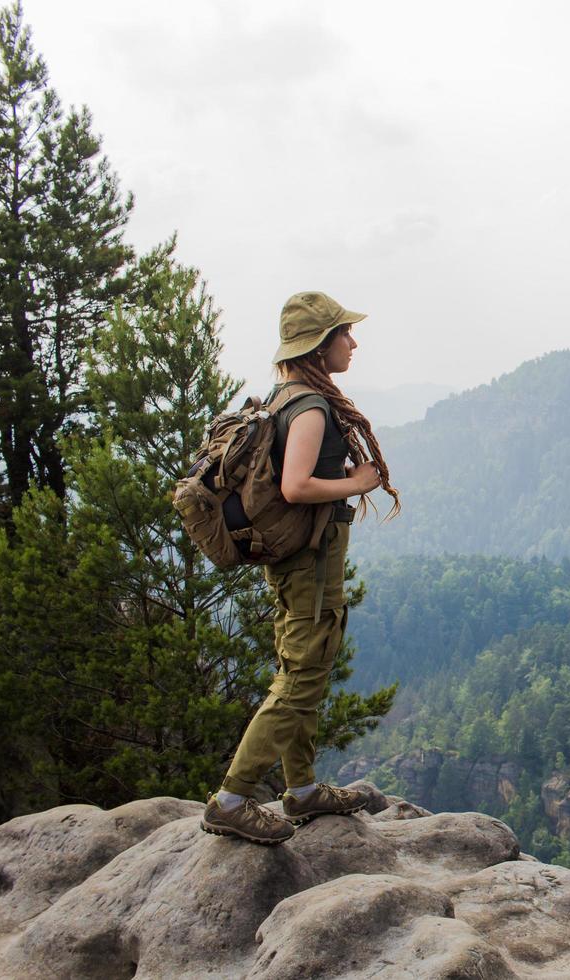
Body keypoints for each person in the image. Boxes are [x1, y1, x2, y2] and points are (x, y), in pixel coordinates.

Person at [201, 291, 401, 844]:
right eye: (344, 333)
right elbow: (296, 486)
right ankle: (232, 798)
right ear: (319, 343)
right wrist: (359, 483)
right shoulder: (310, 406)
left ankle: (303, 789)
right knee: (302, 676)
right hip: (311, 562)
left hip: (301, 560)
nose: (353, 342)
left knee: (305, 667)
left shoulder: (283, 396)